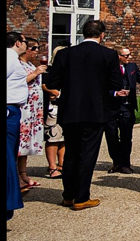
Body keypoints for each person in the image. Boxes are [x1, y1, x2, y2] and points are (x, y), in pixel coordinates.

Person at [43, 19, 124, 211]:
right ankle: (81, 197)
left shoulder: (65, 54)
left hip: (70, 110)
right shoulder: (108, 55)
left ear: (83, 33)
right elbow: (116, 84)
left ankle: (68, 195)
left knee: (71, 152)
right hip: (95, 111)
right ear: (102, 35)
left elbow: (52, 81)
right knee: (87, 154)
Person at [104, 45, 140, 174]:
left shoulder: (132, 67)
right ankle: (116, 162)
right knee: (112, 137)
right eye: (126, 55)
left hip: (127, 107)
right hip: (111, 108)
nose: (129, 57)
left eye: (129, 54)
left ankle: (126, 164)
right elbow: (101, 88)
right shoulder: (108, 68)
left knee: (127, 137)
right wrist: (115, 93)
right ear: (118, 56)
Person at [16, 38, 47, 193]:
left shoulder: (29, 64)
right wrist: (36, 73)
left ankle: (24, 174)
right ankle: (16, 177)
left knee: (26, 144)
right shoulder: (17, 65)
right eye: (34, 48)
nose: (36, 51)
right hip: (23, 109)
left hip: (33, 110)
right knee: (19, 144)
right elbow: (19, 82)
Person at [7, 33, 31, 218]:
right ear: (17, 43)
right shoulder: (9, 57)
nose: (27, 46)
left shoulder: (13, 58)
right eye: (25, 42)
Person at [42, 45, 67, 179]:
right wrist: (51, 91)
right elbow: (43, 85)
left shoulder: (68, 70)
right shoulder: (49, 70)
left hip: (65, 107)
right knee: (53, 138)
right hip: (53, 108)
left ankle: (62, 164)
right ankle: (52, 166)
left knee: (63, 138)